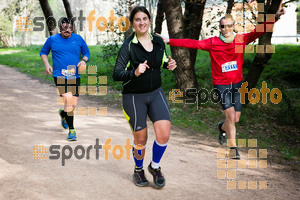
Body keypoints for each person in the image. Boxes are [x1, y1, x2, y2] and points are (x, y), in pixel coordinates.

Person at [157, 2, 285, 159]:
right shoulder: (213, 43)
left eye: (229, 26)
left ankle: (222, 128)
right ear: (220, 28)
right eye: (223, 26)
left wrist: (275, 18)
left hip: (237, 85)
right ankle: (233, 149)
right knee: (231, 115)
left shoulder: (240, 40)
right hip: (221, 85)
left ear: (233, 26)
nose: (226, 29)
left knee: (235, 118)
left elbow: (259, 31)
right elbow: (192, 43)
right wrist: (169, 41)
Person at [113, 6, 176, 188]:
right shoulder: (128, 46)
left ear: (149, 20)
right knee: (141, 139)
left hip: (156, 93)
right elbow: (117, 73)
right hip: (134, 97)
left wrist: (168, 64)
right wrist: (135, 72)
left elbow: (162, 60)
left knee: (163, 134)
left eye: (145, 19)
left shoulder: (158, 41)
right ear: (132, 24)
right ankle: (138, 170)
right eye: (137, 20)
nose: (142, 22)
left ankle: (154, 167)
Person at [40, 18, 90, 141]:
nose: (67, 30)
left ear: (72, 28)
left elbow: (87, 53)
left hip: (74, 75)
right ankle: (72, 130)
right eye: (64, 28)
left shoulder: (78, 39)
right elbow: (43, 52)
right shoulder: (52, 39)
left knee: (73, 104)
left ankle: (63, 113)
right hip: (60, 75)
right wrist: (47, 65)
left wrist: (83, 61)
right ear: (60, 28)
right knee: (68, 100)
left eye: (69, 28)